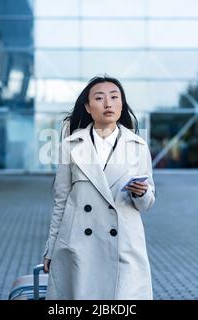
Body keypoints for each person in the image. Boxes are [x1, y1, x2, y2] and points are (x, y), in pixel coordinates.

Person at [42, 75, 156, 300]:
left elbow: (147, 202)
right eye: (100, 98)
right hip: (80, 246)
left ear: (122, 105)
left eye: (115, 97)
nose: (108, 103)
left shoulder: (138, 146)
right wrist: (51, 247)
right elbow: (61, 201)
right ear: (88, 106)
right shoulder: (71, 145)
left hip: (123, 246)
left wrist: (141, 193)